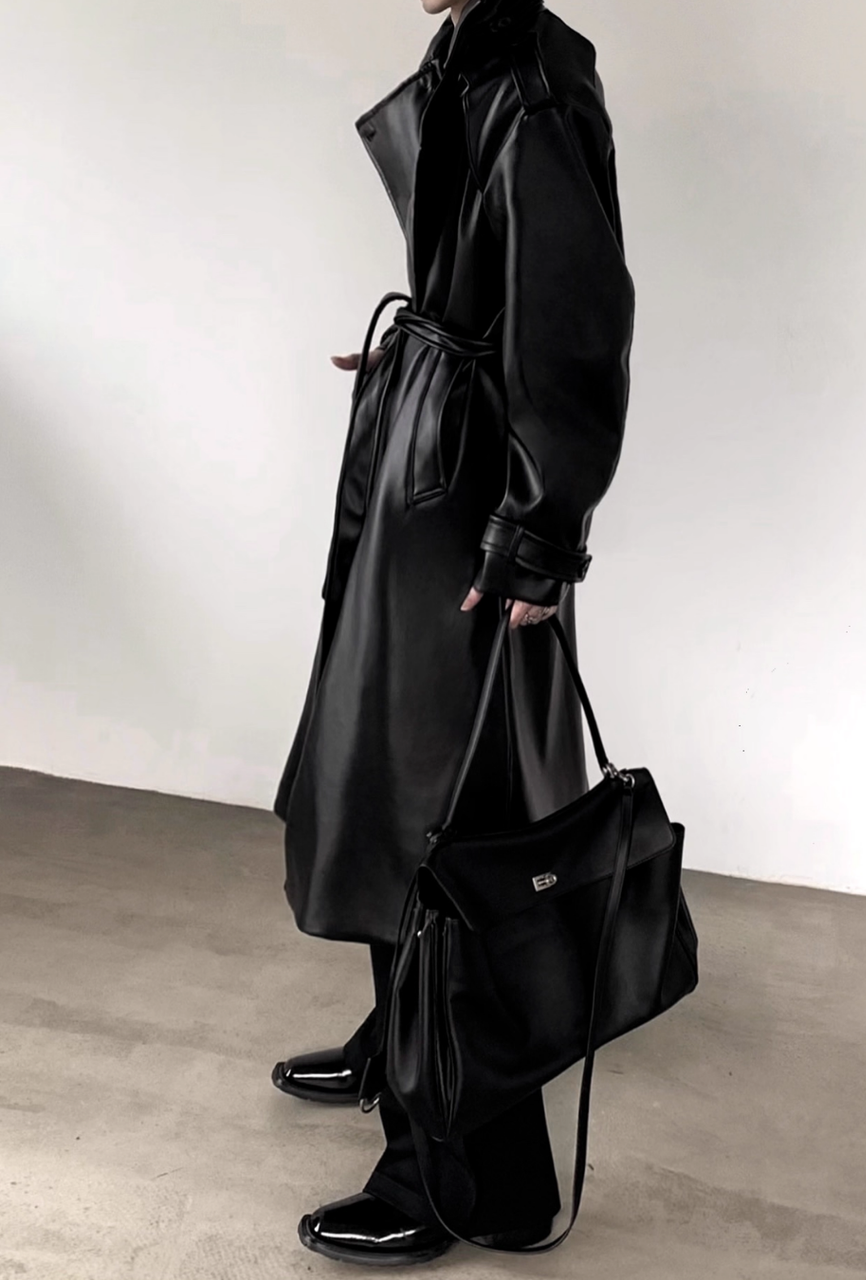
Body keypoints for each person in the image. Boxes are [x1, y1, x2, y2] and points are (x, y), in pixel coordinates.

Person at [271, 0, 635, 1265]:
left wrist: (538, 531)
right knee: (384, 787)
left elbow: (575, 323)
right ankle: (405, 1044)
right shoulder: (471, 52)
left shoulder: (532, 84)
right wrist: (418, 356)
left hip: (471, 498)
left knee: (444, 809)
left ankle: (469, 1173)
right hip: (432, 464)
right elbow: (482, 273)